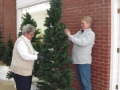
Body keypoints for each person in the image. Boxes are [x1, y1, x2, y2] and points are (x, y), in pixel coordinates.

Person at [10, 24, 45, 90]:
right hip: (20, 72)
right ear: (26, 33)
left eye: (33, 34)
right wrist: (37, 57)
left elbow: (32, 51)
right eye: (31, 34)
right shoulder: (21, 42)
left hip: (25, 71)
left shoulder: (27, 41)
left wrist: (39, 54)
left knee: (26, 87)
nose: (32, 36)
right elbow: (25, 56)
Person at [64, 16, 95, 90]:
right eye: (81, 23)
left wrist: (70, 36)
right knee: (80, 81)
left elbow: (82, 43)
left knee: (86, 82)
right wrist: (68, 34)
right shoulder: (79, 32)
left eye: (83, 23)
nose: (81, 25)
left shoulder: (91, 34)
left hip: (84, 62)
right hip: (77, 61)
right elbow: (71, 38)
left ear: (89, 24)